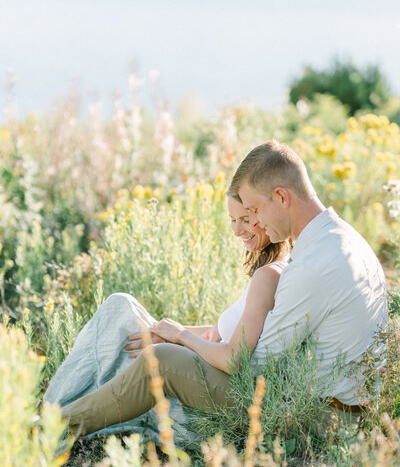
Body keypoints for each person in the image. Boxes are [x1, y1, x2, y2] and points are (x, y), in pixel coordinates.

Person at [60, 140, 388, 438]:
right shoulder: (341, 238)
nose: (255, 222)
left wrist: (181, 338)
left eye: (256, 211)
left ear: (281, 197)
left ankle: (51, 431)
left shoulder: (314, 265)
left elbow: (248, 366)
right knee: (159, 349)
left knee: (161, 360)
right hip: (340, 410)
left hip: (318, 420)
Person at [46, 193, 290, 438]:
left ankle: (48, 425)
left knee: (136, 337)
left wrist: (180, 335)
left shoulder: (269, 275)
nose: (237, 230)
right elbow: (225, 334)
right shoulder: (269, 272)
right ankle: (52, 414)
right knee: (123, 309)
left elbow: (232, 359)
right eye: (232, 219)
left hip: (226, 396)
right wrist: (167, 332)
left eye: (246, 219)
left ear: (263, 212)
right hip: (210, 372)